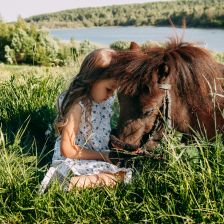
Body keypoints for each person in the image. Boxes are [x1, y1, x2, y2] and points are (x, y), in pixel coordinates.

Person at [39, 48, 132, 193]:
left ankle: (72, 182)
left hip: (94, 155)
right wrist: (103, 156)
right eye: (108, 89)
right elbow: (67, 149)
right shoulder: (78, 105)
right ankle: (66, 182)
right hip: (74, 158)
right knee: (121, 176)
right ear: (92, 80)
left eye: (113, 91)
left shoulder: (104, 101)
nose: (111, 95)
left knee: (124, 173)